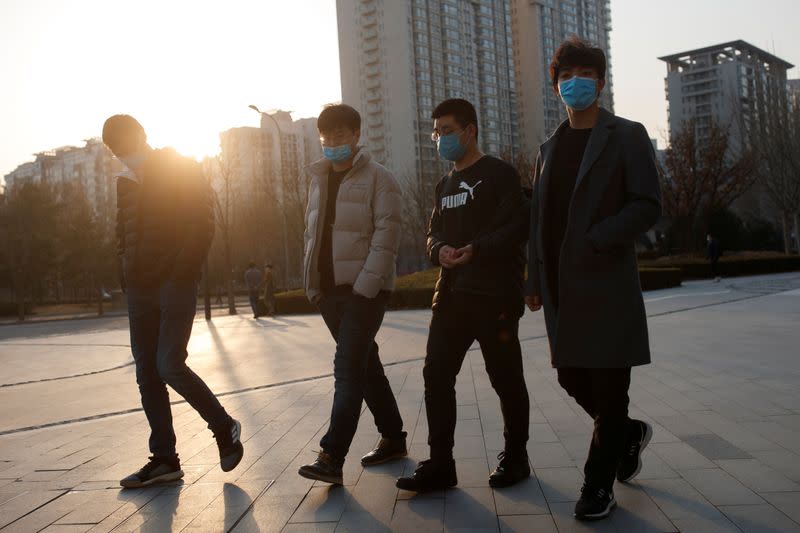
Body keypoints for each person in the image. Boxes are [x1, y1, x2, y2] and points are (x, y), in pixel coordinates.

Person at [525, 38, 662, 521]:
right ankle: (627, 435)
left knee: (609, 394)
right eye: (566, 75)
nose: (574, 83)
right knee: (569, 377)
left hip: (606, 285)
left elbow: (648, 203)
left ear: (601, 83)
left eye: (585, 74)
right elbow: (538, 223)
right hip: (562, 290)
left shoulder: (626, 135)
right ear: (555, 82)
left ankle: (597, 486)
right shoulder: (547, 149)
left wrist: (600, 236)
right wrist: (533, 281)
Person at [396, 98, 531, 493]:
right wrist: (438, 250)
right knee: (436, 375)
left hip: (495, 297)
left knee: (505, 379)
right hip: (451, 297)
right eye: (436, 132)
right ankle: (441, 463)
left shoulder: (500, 174)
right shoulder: (444, 185)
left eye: (447, 131)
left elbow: (516, 226)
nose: (440, 139)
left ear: (470, 130)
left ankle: (516, 456)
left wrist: (478, 248)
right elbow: (431, 233)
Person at [103, 115, 244, 489]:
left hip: (174, 281)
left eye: (127, 147)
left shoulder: (179, 167)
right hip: (139, 287)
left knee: (169, 364)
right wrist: (124, 272)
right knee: (146, 372)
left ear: (143, 137)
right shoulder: (124, 183)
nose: (123, 156)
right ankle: (165, 458)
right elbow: (123, 233)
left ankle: (224, 427)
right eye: (116, 151)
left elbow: (202, 222)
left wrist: (182, 270)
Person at [298, 104, 406, 484]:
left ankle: (331, 455)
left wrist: (366, 287)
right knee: (366, 366)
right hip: (328, 295)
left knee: (347, 371)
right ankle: (393, 437)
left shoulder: (380, 178)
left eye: (341, 136)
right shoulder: (317, 180)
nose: (333, 143)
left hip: (363, 294)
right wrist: (312, 286)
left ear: (357, 136)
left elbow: (387, 236)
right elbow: (312, 237)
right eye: (327, 137)